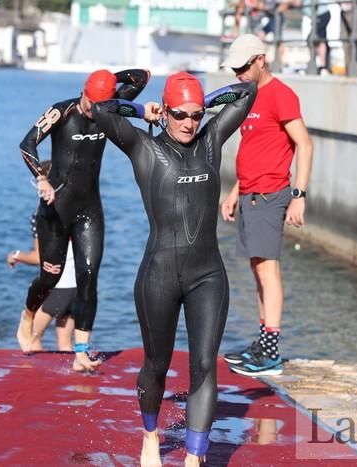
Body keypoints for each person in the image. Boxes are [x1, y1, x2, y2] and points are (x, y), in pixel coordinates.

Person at [93, 73, 257, 466]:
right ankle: (151, 436)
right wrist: (139, 109)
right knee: (156, 365)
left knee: (204, 365)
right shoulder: (142, 146)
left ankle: (193, 457)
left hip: (208, 275)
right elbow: (101, 110)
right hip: (159, 273)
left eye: (196, 114)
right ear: (164, 111)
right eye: (180, 114)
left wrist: (205, 101)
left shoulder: (212, 141)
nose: (189, 123)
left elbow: (247, 92)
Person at [16, 68, 150, 371]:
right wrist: (41, 178)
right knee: (50, 276)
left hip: (89, 208)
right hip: (56, 207)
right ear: (83, 92)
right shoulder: (61, 112)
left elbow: (142, 77)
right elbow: (27, 144)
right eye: (92, 103)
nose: (96, 111)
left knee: (89, 277)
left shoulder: (109, 106)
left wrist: (106, 80)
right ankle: (27, 316)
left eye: (102, 105)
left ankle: (80, 352)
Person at [220, 34, 313, 376]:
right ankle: (262, 344)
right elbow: (256, 151)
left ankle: (270, 353)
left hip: (271, 196)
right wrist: (234, 192)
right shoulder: (249, 96)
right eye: (235, 68)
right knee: (258, 272)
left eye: (244, 66)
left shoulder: (281, 95)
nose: (239, 73)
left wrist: (298, 196)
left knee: (268, 271)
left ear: (261, 59)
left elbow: (304, 144)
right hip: (249, 195)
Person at [7, 209, 76, 352]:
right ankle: (68, 373)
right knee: (65, 343)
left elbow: (39, 257)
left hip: (59, 287)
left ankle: (36, 372)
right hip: (76, 287)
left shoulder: (42, 217)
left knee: (32, 338)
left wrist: (17, 255)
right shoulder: (75, 214)